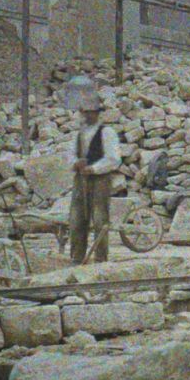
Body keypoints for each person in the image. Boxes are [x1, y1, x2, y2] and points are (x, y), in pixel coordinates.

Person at [69, 91, 122, 264]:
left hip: (99, 180)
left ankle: (101, 259)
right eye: (85, 112)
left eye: (91, 112)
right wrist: (76, 163)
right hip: (80, 179)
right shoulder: (79, 134)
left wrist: (94, 168)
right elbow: (69, 154)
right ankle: (77, 258)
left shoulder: (107, 132)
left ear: (97, 113)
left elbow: (113, 159)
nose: (87, 115)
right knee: (77, 219)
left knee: (100, 220)